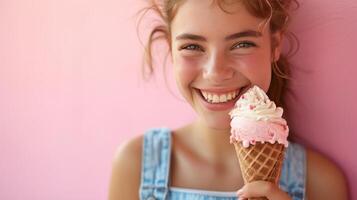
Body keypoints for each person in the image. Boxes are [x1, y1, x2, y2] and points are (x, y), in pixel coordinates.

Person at [108, 0, 349, 199]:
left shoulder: (321, 183)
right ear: (171, 48)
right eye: (192, 46)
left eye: (242, 44)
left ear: (275, 44)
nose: (215, 71)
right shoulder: (135, 165)